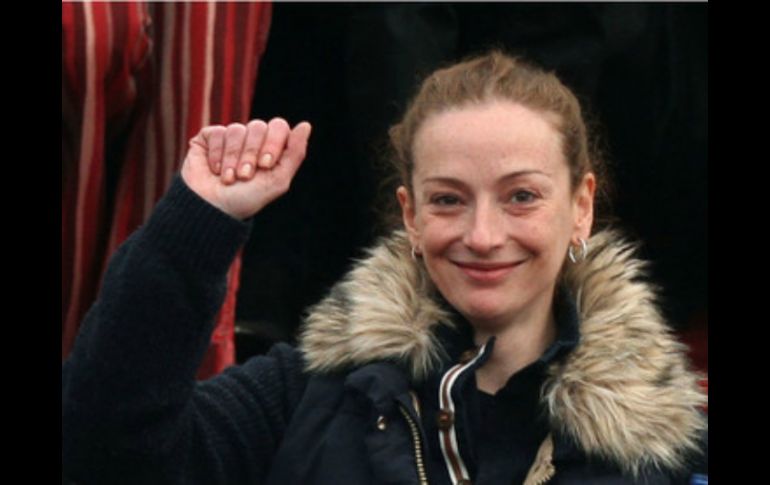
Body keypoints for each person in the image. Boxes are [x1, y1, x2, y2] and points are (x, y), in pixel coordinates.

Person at [62, 51, 707, 484]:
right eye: (448, 200)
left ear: (581, 208)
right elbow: (104, 455)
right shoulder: (307, 391)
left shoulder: (668, 450)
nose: (483, 236)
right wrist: (196, 225)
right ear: (410, 215)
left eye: (521, 196)